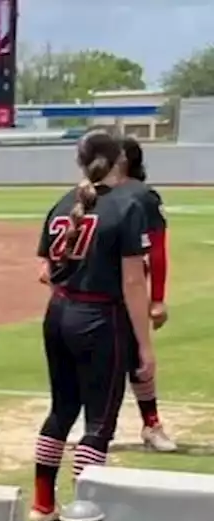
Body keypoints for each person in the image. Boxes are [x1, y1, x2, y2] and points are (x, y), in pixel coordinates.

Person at [29, 130, 156, 521]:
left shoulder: (62, 203)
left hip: (58, 314)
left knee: (61, 410)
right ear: (120, 160)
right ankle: (83, 511)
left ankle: (43, 504)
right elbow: (134, 283)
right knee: (100, 421)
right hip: (101, 319)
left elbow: (44, 271)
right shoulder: (126, 205)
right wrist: (145, 346)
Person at [119, 137, 177, 453]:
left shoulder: (143, 197)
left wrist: (157, 297)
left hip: (130, 288)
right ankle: (95, 426)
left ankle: (152, 424)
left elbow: (157, 249)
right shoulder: (91, 193)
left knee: (139, 358)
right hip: (95, 288)